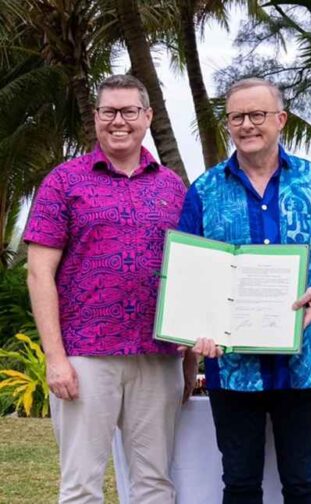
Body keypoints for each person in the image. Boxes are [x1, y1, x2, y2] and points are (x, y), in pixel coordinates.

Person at [178, 78, 311, 504]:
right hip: (232, 367)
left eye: (257, 115)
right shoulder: (204, 190)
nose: (247, 125)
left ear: (280, 120)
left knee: (301, 483)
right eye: (237, 116)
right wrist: (196, 331)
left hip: (303, 364)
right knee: (239, 485)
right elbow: (188, 273)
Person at [25, 74, 195, 503]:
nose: (118, 121)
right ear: (96, 118)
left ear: (147, 116)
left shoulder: (173, 186)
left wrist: (190, 357)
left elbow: (192, 273)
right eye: (109, 112)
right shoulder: (64, 182)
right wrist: (56, 358)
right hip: (85, 357)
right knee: (81, 485)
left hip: (157, 357)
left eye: (129, 111)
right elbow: (38, 274)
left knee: (155, 482)